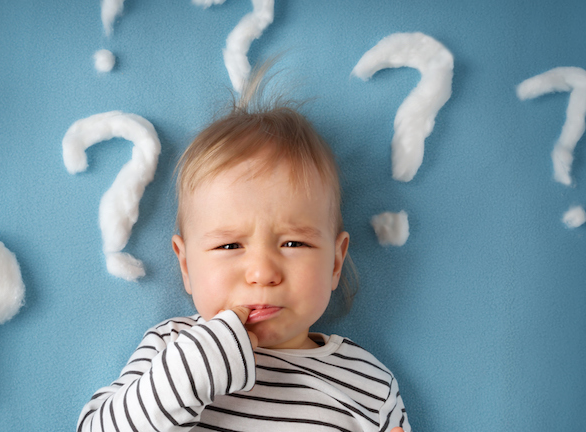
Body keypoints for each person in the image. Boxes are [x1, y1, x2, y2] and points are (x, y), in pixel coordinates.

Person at [77, 63, 410, 432]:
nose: (262, 273)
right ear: (186, 266)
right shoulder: (173, 348)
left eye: (293, 242)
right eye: (230, 245)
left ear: (334, 262)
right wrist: (191, 372)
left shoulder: (370, 387)